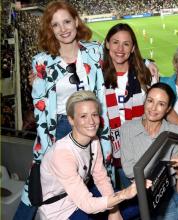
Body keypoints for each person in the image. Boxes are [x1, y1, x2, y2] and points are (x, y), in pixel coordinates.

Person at [15, 2, 112, 219]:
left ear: (76, 21)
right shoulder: (41, 61)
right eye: (56, 24)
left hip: (89, 126)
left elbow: (121, 56)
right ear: (51, 29)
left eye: (67, 21)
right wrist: (36, 85)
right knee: (39, 189)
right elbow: (40, 102)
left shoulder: (94, 51)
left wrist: (147, 62)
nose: (63, 29)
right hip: (57, 129)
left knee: (88, 184)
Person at [37, 90, 150, 219]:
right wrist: (123, 194)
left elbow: (101, 177)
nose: (91, 122)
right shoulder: (62, 154)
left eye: (94, 114)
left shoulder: (94, 140)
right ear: (71, 120)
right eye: (83, 116)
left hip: (83, 196)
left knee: (142, 200)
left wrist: (114, 211)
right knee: (127, 199)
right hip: (60, 211)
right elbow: (88, 205)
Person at [120, 82, 178, 220]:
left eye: (161, 104)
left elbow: (177, 171)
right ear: (145, 101)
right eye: (150, 101)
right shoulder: (127, 128)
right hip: (138, 198)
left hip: (167, 198)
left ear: (168, 109)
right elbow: (129, 169)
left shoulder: (175, 132)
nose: (153, 108)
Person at [102, 23, 156, 189]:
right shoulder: (96, 75)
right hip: (107, 147)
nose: (120, 48)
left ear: (133, 48)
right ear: (107, 44)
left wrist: (147, 62)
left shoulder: (146, 75)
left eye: (126, 44)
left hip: (140, 147)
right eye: (115, 42)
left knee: (143, 198)